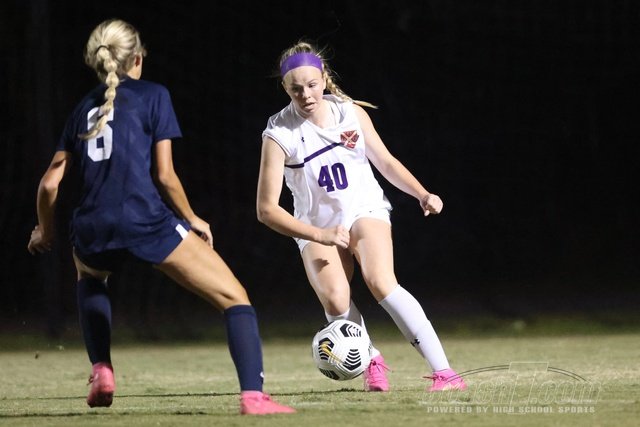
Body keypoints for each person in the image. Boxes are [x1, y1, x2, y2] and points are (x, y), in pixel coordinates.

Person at [27, 19, 295, 415]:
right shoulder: (154, 95)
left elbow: (50, 184)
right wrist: (191, 218)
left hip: (91, 225)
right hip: (144, 220)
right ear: (137, 58)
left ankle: (102, 369)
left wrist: (45, 231)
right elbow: (165, 175)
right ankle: (253, 397)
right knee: (234, 298)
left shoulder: (82, 108)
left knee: (90, 276)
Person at [256, 41, 467, 392]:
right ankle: (371, 359)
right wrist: (318, 235)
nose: (306, 94)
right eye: (296, 89)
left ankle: (445, 373)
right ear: (285, 88)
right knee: (336, 298)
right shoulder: (279, 133)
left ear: (324, 79)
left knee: (381, 281)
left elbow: (385, 161)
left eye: (312, 85)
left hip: (364, 209)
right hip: (315, 226)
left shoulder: (349, 113)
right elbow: (266, 210)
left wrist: (423, 193)